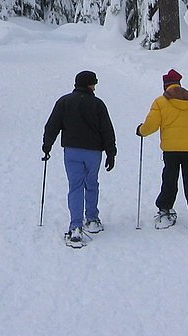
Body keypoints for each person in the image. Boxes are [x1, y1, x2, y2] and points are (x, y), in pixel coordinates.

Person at [136, 68, 188, 236]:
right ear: (179, 83)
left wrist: (141, 131)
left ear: (166, 85)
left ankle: (165, 209)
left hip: (171, 150)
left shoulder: (160, 102)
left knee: (169, 179)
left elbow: (151, 125)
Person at [42, 70, 116, 248]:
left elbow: (52, 125)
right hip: (93, 152)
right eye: (94, 83)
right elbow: (107, 129)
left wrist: (47, 145)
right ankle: (92, 219)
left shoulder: (64, 101)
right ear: (90, 85)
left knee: (75, 186)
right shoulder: (98, 104)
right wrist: (111, 152)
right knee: (91, 184)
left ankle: (75, 227)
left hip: (72, 151)